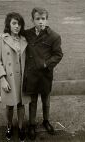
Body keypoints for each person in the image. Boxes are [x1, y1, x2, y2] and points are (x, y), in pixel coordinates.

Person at [23, 7, 63, 140]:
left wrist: (47, 63)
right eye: (37, 19)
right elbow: (13, 35)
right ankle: (32, 125)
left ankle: (46, 121)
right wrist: (2, 35)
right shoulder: (27, 34)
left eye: (43, 19)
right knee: (32, 101)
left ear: (47, 20)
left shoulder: (54, 36)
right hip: (32, 75)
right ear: (32, 20)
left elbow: (58, 54)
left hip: (45, 75)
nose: (41, 22)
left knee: (46, 101)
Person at [0, 12, 31, 141]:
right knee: (9, 105)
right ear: (8, 24)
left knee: (21, 105)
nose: (17, 26)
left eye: (19, 24)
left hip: (22, 78)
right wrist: (2, 79)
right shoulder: (2, 39)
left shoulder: (25, 39)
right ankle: (9, 126)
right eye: (14, 23)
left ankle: (21, 128)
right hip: (8, 79)